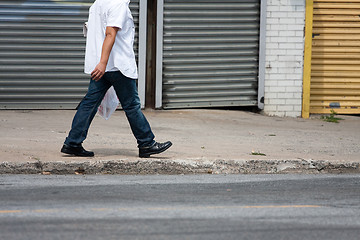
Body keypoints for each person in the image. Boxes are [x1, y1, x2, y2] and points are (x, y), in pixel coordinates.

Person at [61, 0, 172, 158]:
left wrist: (100, 64)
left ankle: (72, 142)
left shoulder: (98, 4)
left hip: (102, 66)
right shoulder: (118, 4)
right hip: (116, 65)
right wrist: (103, 63)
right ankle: (146, 143)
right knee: (132, 105)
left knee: (89, 103)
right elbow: (110, 33)